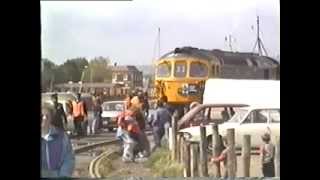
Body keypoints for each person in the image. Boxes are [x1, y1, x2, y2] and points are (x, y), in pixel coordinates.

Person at [41, 104, 75, 178]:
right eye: (42, 115)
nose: (44, 118)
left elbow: (68, 158)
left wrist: (63, 176)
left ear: (51, 119)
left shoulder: (62, 137)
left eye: (47, 116)